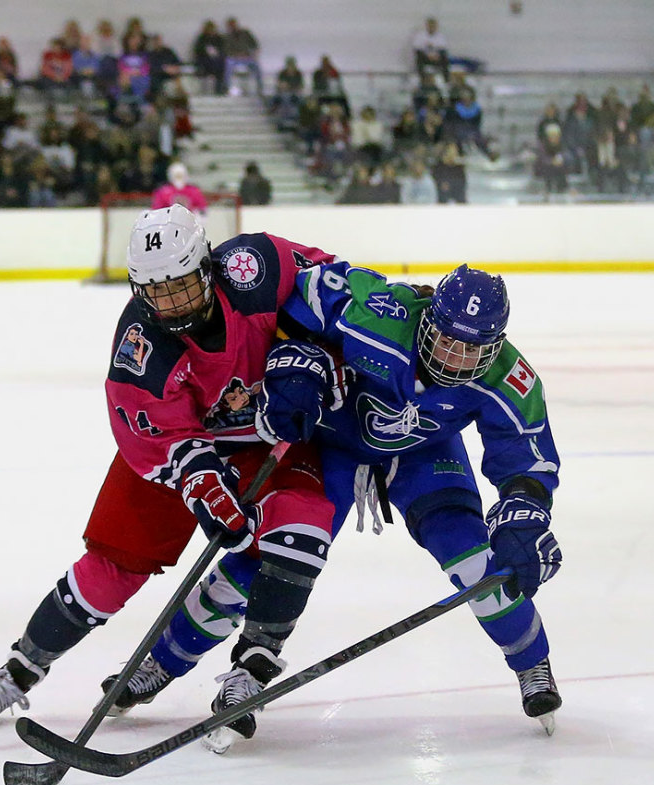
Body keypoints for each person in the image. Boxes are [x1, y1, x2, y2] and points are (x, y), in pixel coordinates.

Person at [108, 262, 564, 751]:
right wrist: (297, 364)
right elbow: (301, 299)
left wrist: (524, 514)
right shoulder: (378, 312)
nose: (454, 359)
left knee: (477, 561)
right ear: (427, 317)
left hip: (423, 455)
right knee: (269, 555)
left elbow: (525, 462)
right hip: (335, 445)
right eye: (447, 340)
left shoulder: (509, 378)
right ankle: (163, 663)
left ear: (496, 345)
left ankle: (533, 664)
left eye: (472, 349)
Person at [0, 204, 339, 730]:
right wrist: (199, 477)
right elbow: (149, 432)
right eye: (158, 293)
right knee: (114, 566)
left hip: (267, 442)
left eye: (182, 286)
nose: (173, 303)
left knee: (300, 528)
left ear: (208, 267)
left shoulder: (256, 266)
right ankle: (18, 670)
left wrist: (378, 318)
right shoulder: (140, 344)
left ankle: (251, 669)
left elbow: (342, 287)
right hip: (176, 451)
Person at [411, 17, 450, 84]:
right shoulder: (420, 35)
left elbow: (443, 49)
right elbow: (417, 48)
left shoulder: (440, 36)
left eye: (433, 26)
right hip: (425, 58)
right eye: (430, 25)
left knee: (445, 59)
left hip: (436, 58)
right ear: (427, 26)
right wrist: (427, 55)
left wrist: (436, 56)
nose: (432, 27)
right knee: (418, 58)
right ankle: (422, 80)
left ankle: (446, 80)